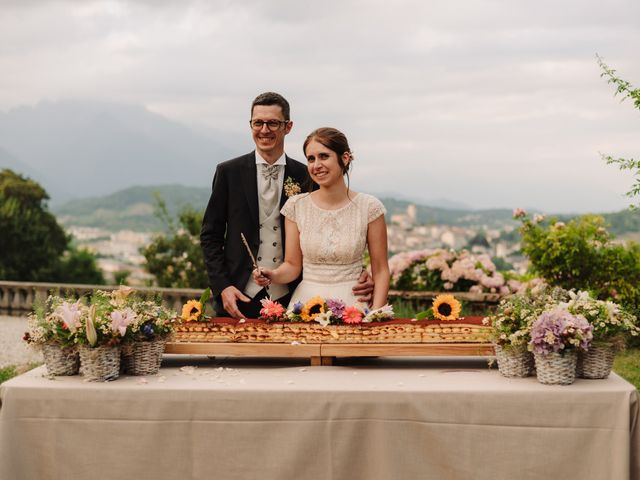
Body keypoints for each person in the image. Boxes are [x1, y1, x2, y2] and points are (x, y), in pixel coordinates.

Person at [200, 93, 373, 319]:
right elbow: (210, 236)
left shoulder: (308, 174)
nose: (264, 130)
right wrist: (222, 286)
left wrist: (360, 272)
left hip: (293, 298)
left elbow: (334, 223)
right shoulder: (228, 173)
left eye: (273, 123)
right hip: (238, 295)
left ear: (288, 126)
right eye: (258, 122)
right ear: (250, 125)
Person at [253, 127, 390, 310]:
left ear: (345, 158)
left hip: (354, 306)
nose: (316, 165)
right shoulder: (296, 206)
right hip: (307, 305)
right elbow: (293, 266)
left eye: (324, 156)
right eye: (311, 159)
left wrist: (375, 314)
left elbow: (381, 270)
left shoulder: (369, 207)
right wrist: (272, 275)